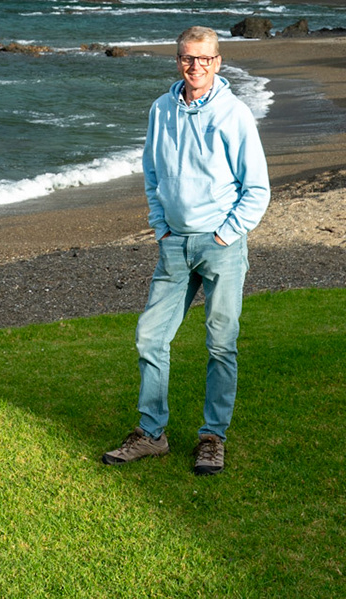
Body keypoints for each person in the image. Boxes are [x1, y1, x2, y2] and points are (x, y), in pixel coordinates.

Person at [102, 26, 270, 475]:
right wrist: (160, 226)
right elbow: (152, 173)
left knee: (221, 343)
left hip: (220, 244)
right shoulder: (161, 109)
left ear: (218, 62)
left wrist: (226, 235)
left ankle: (212, 437)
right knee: (150, 337)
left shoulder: (234, 114)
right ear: (178, 60)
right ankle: (151, 434)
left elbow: (257, 189)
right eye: (187, 58)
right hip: (174, 244)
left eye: (204, 59)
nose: (196, 66)